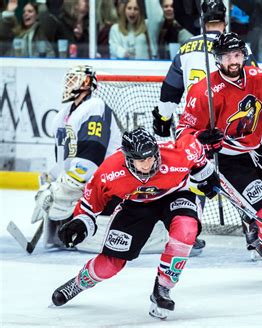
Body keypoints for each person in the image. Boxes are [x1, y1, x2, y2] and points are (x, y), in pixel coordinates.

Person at [176, 32, 262, 289]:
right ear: (217, 59)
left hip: (256, 153)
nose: (233, 61)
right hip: (228, 161)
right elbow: (183, 132)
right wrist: (202, 138)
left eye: (237, 54)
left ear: (244, 55)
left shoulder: (259, 79)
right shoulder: (203, 90)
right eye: (227, 56)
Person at [50, 127, 220, 319]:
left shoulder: (175, 155)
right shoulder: (109, 171)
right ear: (129, 160)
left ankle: (162, 289)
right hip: (136, 205)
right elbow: (90, 204)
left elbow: (194, 148)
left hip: (175, 194)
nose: (148, 165)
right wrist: (80, 223)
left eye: (151, 158)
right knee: (109, 265)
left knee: (186, 230)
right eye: (141, 160)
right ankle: (77, 284)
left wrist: (206, 175)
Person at [152, 0, 261, 258]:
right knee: (239, 177)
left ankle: (190, 233)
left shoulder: (186, 47)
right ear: (224, 21)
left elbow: (170, 90)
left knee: (196, 177)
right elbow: (254, 81)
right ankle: (254, 233)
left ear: (201, 21)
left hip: (197, 125)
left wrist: (163, 117)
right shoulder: (237, 46)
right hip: (232, 124)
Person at [31, 65, 122, 249]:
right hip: (83, 180)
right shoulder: (64, 113)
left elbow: (92, 155)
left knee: (66, 191)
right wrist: (53, 176)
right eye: (68, 79)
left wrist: (65, 184)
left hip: (105, 183)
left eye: (74, 79)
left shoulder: (95, 107)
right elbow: (63, 156)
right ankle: (62, 231)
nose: (68, 83)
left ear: (87, 82)